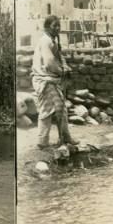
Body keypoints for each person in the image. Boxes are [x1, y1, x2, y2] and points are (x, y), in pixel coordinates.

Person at [31, 15, 78, 149]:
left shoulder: (52, 41)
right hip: (45, 80)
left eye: (59, 26)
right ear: (47, 27)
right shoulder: (46, 41)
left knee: (61, 108)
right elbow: (49, 62)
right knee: (47, 110)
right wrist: (61, 71)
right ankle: (42, 142)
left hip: (50, 79)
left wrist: (65, 66)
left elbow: (58, 57)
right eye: (54, 26)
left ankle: (64, 137)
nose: (57, 28)